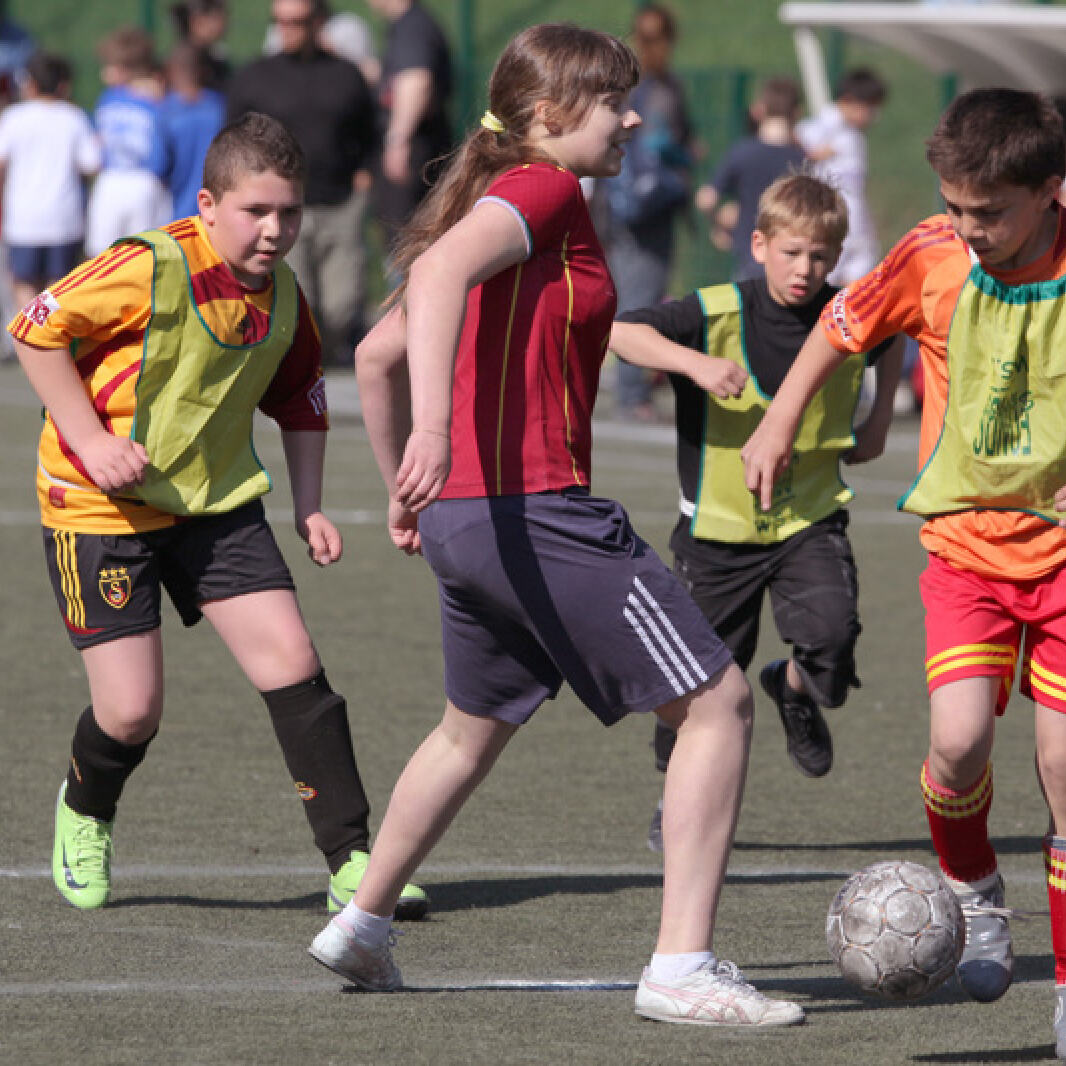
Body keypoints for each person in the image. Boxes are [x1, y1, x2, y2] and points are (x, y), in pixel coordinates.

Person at [307, 22, 804, 1030]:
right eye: (612, 101)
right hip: (534, 511)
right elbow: (433, 285)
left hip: (469, 521)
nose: (632, 118)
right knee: (717, 704)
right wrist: (431, 437)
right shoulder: (544, 188)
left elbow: (374, 356)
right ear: (546, 116)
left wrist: (409, 483)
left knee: (470, 728)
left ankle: (361, 923)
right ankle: (681, 967)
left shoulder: (501, 196)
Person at [7, 111, 426, 921]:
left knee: (295, 664)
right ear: (207, 205)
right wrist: (91, 441)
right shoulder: (148, 264)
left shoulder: (286, 294)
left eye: (289, 213)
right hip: (99, 510)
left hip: (214, 506)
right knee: (131, 712)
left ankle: (353, 862)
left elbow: (301, 396)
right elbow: (33, 330)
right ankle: (85, 809)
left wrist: (310, 506)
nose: (275, 230)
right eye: (255, 211)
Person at [741, 88, 1066, 1055]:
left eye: (990, 212)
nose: (969, 228)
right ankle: (975, 893)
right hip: (966, 552)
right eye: (955, 206)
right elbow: (842, 326)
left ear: (1051, 191)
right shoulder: (931, 252)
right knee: (958, 746)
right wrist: (778, 420)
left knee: (1063, 769)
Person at [611, 173, 902, 852]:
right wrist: (694, 365)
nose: (805, 270)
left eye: (820, 257)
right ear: (760, 245)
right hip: (717, 532)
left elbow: (894, 337)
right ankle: (675, 799)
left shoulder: (848, 313)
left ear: (837, 257)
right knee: (695, 682)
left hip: (810, 520)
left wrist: (880, 420)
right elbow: (620, 333)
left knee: (832, 641)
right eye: (792, 252)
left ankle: (791, 686)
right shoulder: (715, 311)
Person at [228, 0, 377, 365]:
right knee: (299, 300)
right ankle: (303, 369)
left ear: (318, 22)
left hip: (339, 202)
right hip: (282, 210)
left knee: (343, 304)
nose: (289, 30)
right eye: (282, 22)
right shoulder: (255, 77)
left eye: (297, 22)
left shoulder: (346, 74)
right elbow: (234, 139)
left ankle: (324, 354)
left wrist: (365, 175)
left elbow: (370, 131)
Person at [602, 2, 694, 422]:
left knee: (628, 292)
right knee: (639, 297)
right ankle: (631, 391)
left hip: (620, 205)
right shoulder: (660, 89)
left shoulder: (629, 86)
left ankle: (629, 387)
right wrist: (686, 155)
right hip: (647, 207)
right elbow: (667, 144)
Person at [0, 51, 100, 312]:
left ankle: (29, 333)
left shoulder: (13, 117)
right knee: (57, 288)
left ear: (30, 83)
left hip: (22, 219)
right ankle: (48, 333)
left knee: (23, 283)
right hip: (64, 218)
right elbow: (91, 164)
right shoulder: (74, 117)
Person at [696, 77, 806, 282]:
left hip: (750, 261)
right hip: (790, 267)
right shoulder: (801, 161)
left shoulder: (742, 152)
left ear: (759, 110)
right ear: (796, 113)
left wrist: (718, 224)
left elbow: (706, 199)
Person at [367, 0, 453, 251]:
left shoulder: (413, 26)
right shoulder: (408, 24)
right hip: (417, 144)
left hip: (415, 147)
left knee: (406, 241)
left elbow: (416, 80)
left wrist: (398, 140)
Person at [85, 27, 171, 257]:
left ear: (125, 68)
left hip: (139, 180)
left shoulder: (148, 97)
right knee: (123, 254)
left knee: (128, 254)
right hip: (122, 179)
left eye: (109, 66)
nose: (103, 73)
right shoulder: (114, 97)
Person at [796, 68, 886, 286]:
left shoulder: (854, 136)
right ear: (850, 101)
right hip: (828, 223)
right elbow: (800, 154)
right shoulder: (816, 128)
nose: (873, 116)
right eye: (870, 108)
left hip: (855, 227)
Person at [159, 43, 225, 221]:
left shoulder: (165, 112)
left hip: (177, 213)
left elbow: (158, 166)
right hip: (216, 210)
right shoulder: (220, 108)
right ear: (204, 72)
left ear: (170, 72)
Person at [170, 0, 230, 93]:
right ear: (197, 22)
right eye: (217, 18)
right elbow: (188, 95)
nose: (225, 23)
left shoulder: (211, 55)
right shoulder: (186, 58)